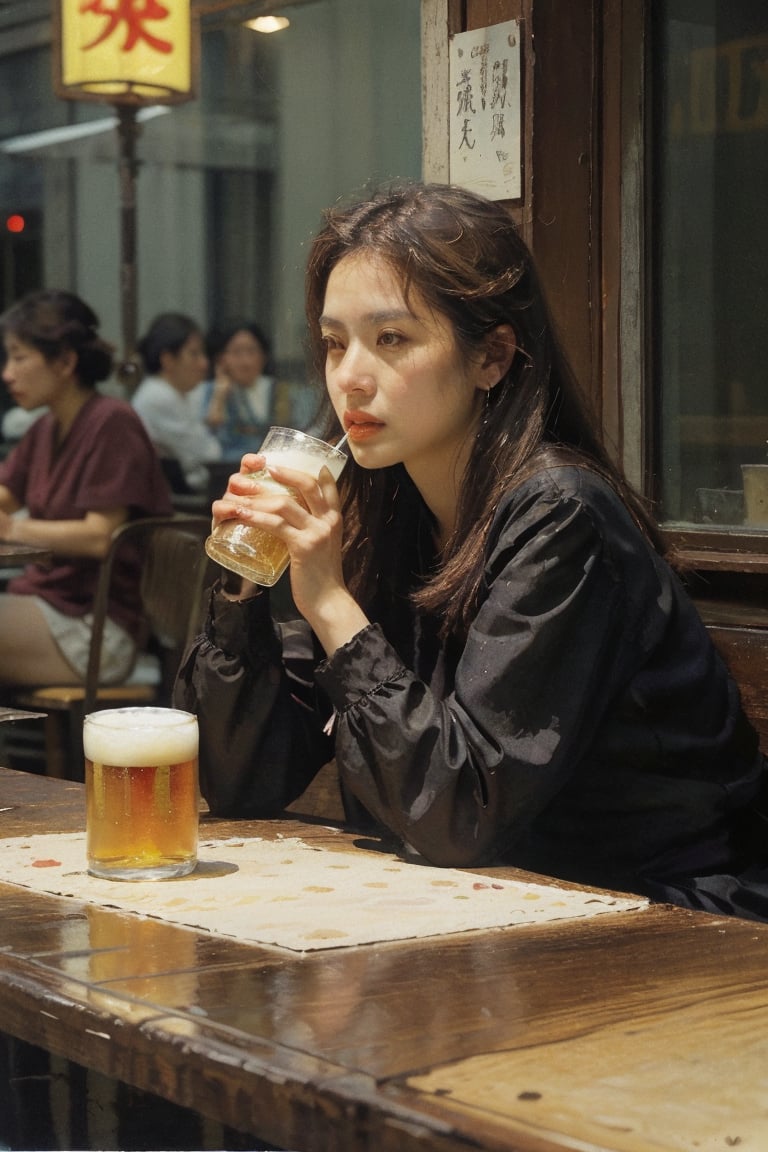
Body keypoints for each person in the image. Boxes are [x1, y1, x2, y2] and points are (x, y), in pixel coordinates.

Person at [175, 181, 768, 922]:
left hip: (661, 919)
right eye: (334, 342)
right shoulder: (373, 506)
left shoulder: (561, 514)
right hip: (487, 906)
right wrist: (243, 579)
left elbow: (458, 812)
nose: (349, 374)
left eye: (391, 339)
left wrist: (329, 603)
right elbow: (242, 780)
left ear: (491, 356)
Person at [0, 289, 172, 686]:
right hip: (46, 604)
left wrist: (11, 529)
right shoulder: (45, 428)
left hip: (96, 626)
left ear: (64, 361)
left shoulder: (112, 421)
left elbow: (99, 536)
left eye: (19, 357)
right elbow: (6, 495)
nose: (7, 373)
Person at [132, 312, 221, 493]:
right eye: (194, 354)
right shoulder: (158, 396)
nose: (204, 363)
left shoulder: (180, 392)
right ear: (168, 359)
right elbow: (209, 455)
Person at [196, 320, 278, 460]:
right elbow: (208, 437)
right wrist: (220, 394)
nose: (246, 361)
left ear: (263, 356)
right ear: (221, 359)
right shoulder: (208, 390)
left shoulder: (278, 391)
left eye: (252, 352)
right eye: (236, 352)